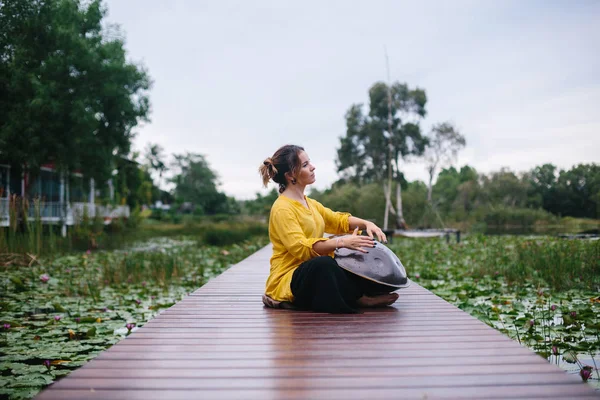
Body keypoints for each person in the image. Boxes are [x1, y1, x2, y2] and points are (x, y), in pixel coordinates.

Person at [259, 144, 399, 314]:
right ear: (290, 175)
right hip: (289, 278)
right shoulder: (282, 208)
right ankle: (359, 299)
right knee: (324, 264)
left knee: (352, 258)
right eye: (305, 165)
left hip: (312, 272)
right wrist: (340, 242)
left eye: (309, 162)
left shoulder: (309, 203)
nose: (312, 167)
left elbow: (337, 220)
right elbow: (301, 248)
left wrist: (366, 224)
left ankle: (360, 295)